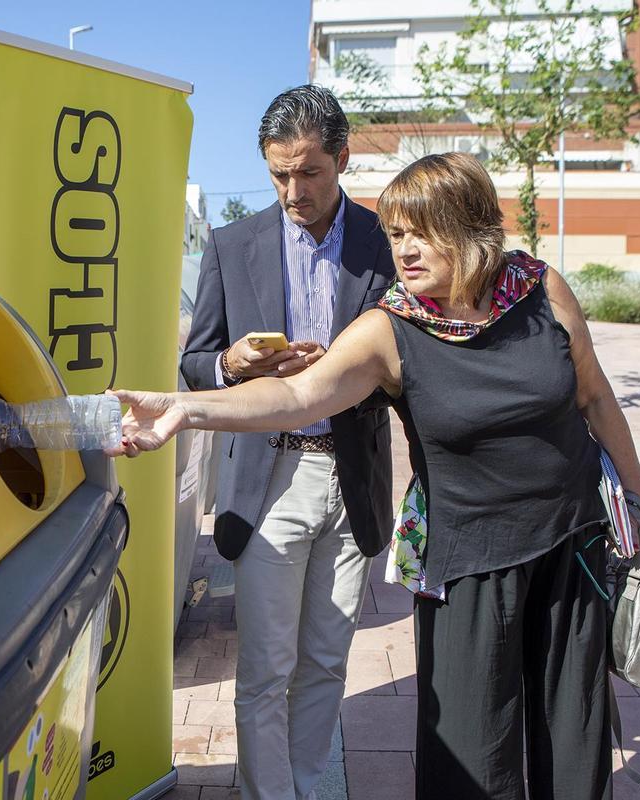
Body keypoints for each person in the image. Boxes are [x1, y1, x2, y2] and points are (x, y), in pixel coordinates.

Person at [118, 152, 640, 800]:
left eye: (422, 231)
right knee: (473, 763)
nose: (405, 250)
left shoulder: (542, 290)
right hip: (467, 567)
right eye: (396, 235)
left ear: (472, 227)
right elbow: (296, 397)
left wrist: (638, 511)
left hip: (572, 546)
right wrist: (188, 408)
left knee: (574, 744)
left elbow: (594, 398)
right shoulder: (390, 330)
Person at [180, 84, 395, 800]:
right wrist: (232, 365)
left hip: (353, 478)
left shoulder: (384, 243)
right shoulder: (232, 242)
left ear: (341, 159)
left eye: (309, 173)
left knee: (327, 661)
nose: (293, 190)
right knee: (266, 668)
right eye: (279, 174)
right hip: (270, 478)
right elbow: (196, 361)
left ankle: (305, 787)